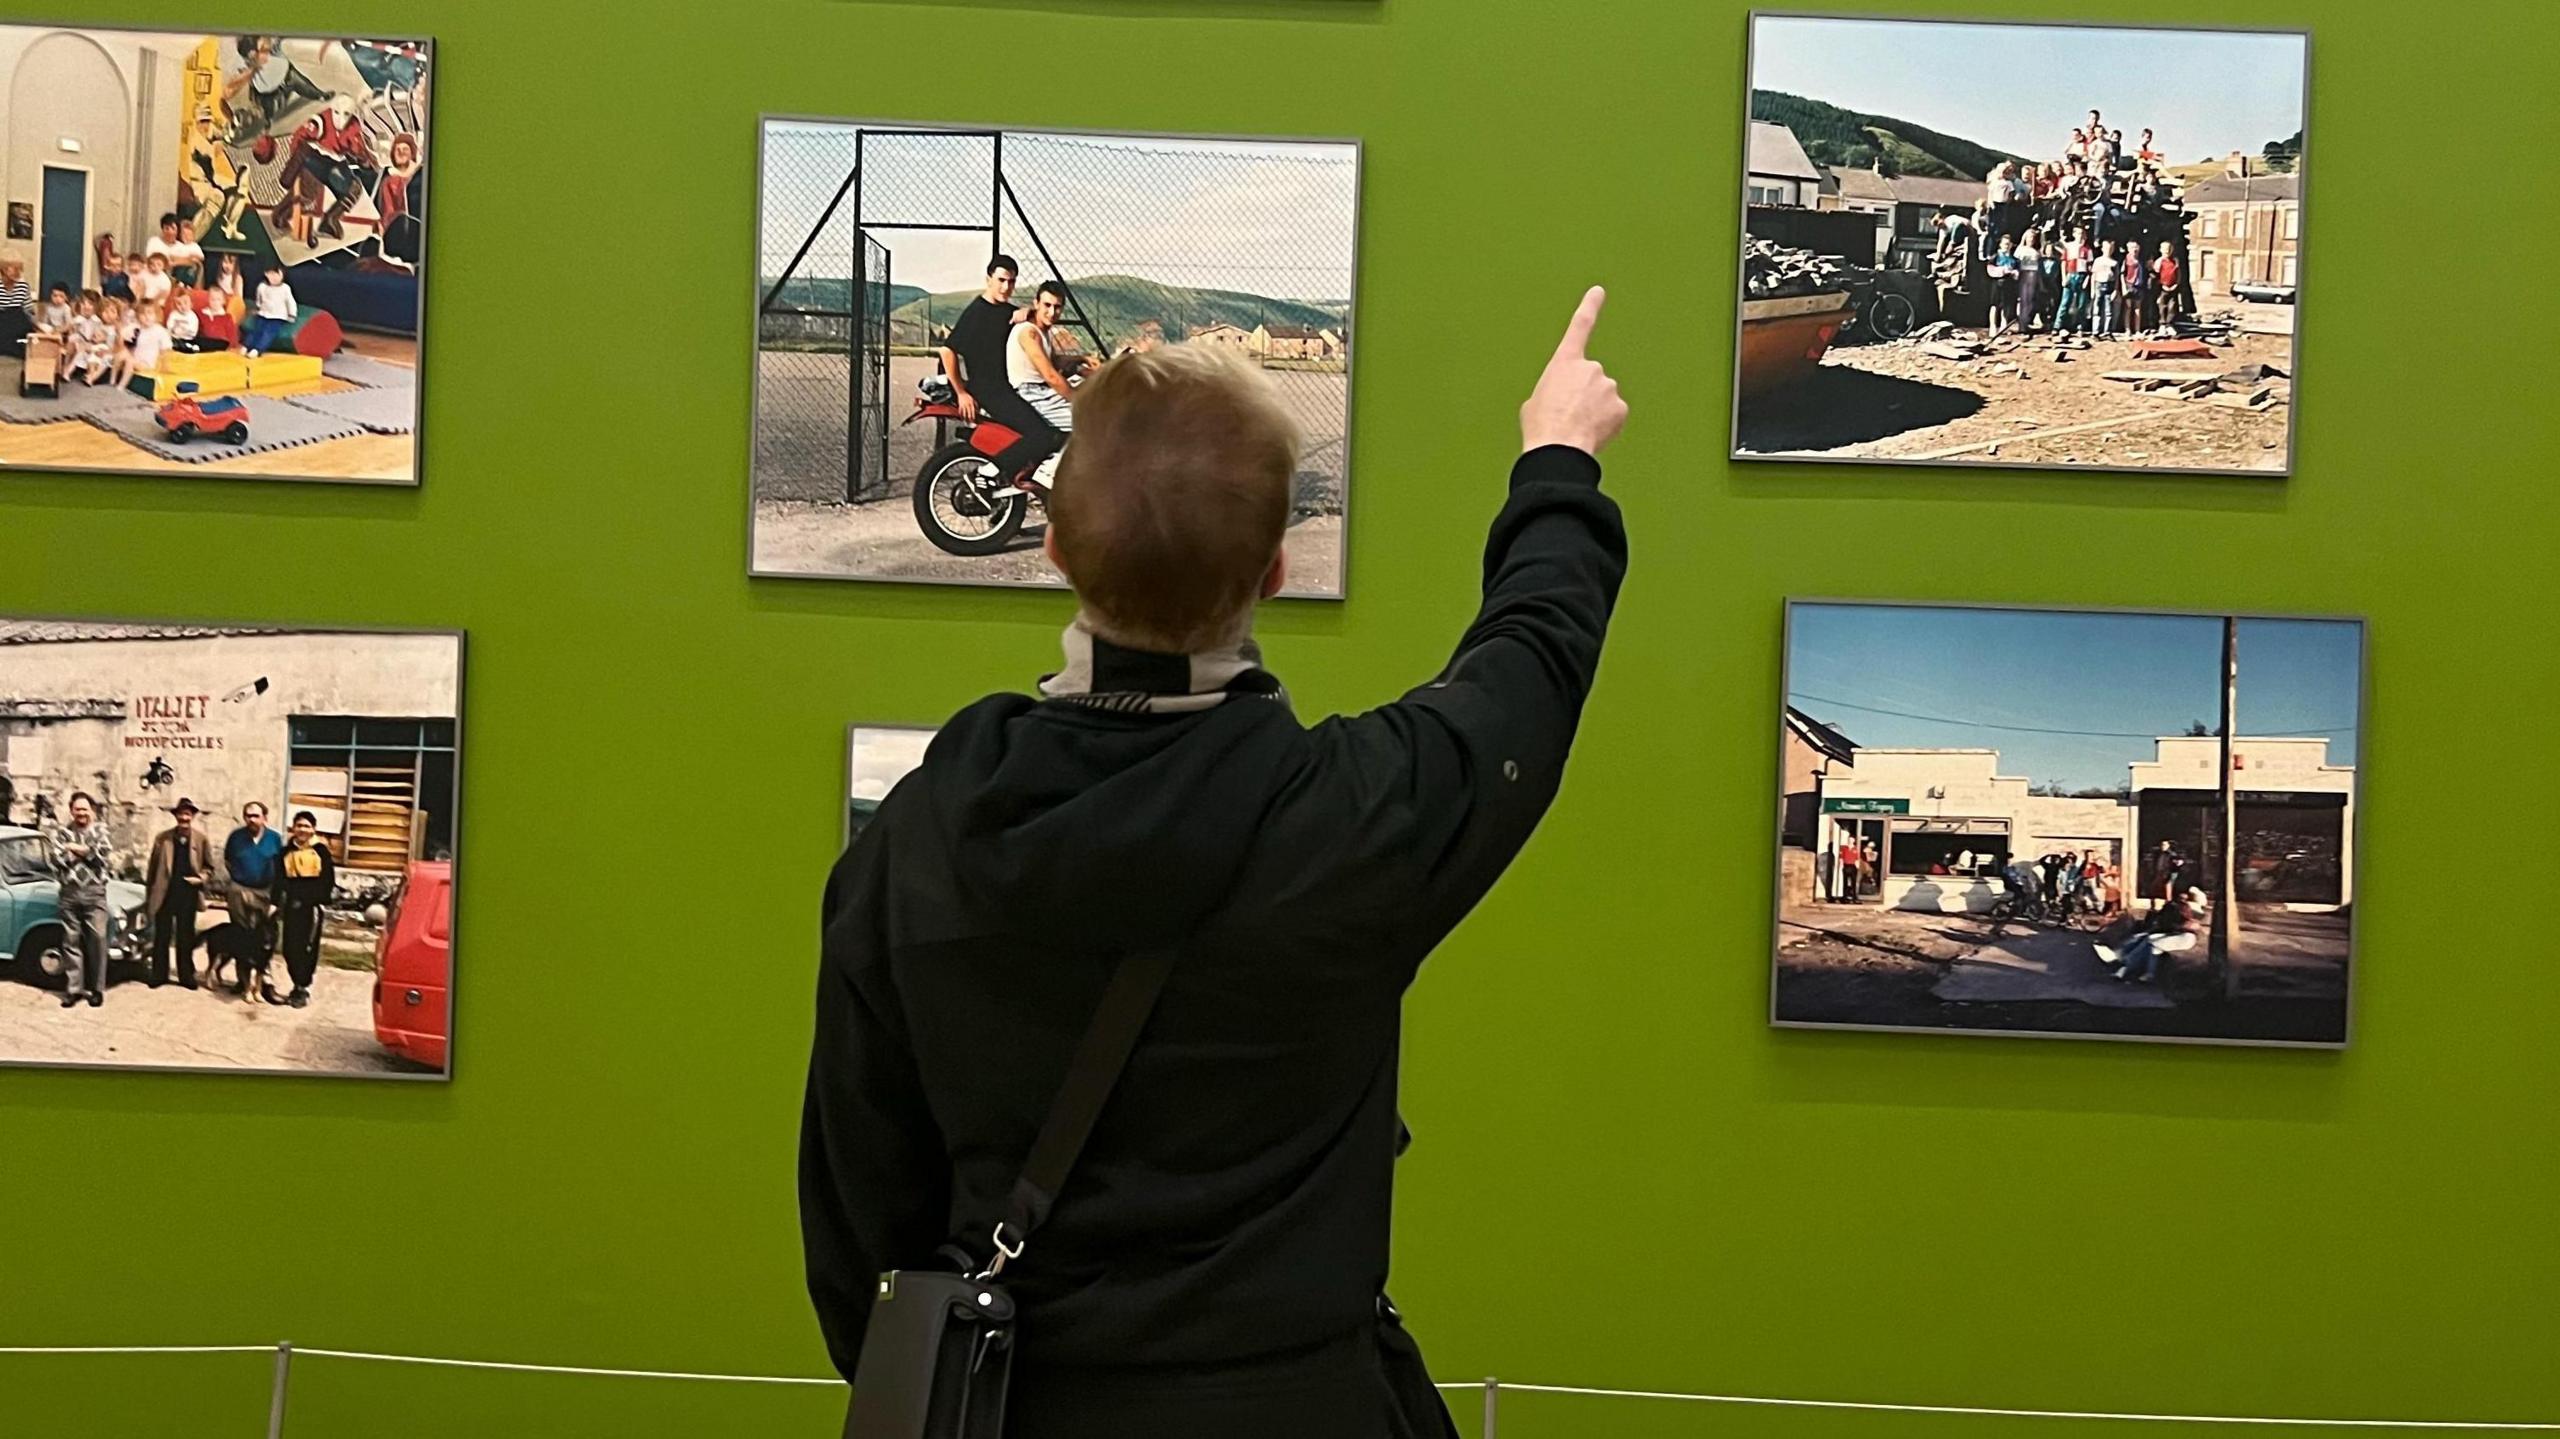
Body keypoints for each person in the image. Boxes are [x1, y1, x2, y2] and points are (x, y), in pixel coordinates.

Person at [801, 288, 1626, 1438]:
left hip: (1022, 1404)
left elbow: (857, 1211)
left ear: (1050, 544)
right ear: (1277, 569)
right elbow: (1531, 657)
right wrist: (1555, 461)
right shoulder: (1356, 820)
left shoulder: (917, 840)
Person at [1007, 280, 1092, 490]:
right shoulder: (1029, 332)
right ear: (1036, 303)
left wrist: (1083, 360)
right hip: (1032, 393)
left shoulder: (1042, 331)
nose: (1052, 312)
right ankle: (1048, 472)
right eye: (1047, 305)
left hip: (1039, 392)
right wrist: (1077, 400)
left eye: (1057, 307)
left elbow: (1055, 360)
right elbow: (1051, 375)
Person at [49, 793, 116, 1009]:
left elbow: (102, 856)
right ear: (71, 811)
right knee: (71, 941)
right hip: (69, 893)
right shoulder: (62, 832)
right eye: (77, 809)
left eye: (85, 809)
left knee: (98, 938)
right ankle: (73, 990)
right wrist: (86, 852)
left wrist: (76, 850)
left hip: (94, 892)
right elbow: (56, 859)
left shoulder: (101, 831)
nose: (81, 813)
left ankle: (97, 989)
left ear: (92, 811)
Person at [145, 798, 219, 990]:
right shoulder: (163, 838)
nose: (184, 817)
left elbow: (209, 867)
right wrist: (150, 893)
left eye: (188, 814)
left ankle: (186, 975)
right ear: (176, 816)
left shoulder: (201, 839)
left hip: (188, 893)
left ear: (193, 816)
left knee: (185, 936)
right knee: (162, 935)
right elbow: (152, 869)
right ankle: (159, 974)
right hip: (166, 892)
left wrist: (201, 878)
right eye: (181, 814)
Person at [271, 811, 336, 1009]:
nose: (302, 830)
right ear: (293, 828)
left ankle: (302, 987)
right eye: (299, 825)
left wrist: (311, 900)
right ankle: (295, 981)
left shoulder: (321, 851)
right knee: (290, 947)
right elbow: (279, 880)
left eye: (307, 826)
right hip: (291, 906)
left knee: (307, 948)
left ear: (313, 829)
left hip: (311, 907)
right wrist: (275, 903)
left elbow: (327, 881)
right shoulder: (285, 852)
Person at [223, 802, 286, 995]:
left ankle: (265, 982)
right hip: (240, 890)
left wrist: (274, 900)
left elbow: (280, 870)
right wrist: (239, 881)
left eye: (256, 816)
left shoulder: (275, 839)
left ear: (264, 818)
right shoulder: (236, 837)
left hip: (265, 892)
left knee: (265, 937)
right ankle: (242, 980)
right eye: (248, 816)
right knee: (241, 935)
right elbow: (228, 861)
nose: (252, 819)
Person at [2101, 887, 2206, 984]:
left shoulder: (2187, 913)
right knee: (2147, 939)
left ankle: (2129, 965)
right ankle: (2126, 963)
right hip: (2178, 935)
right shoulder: (2182, 909)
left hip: (2185, 938)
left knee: (2153, 944)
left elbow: (2184, 928)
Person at [242, 262, 295, 358]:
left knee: (268, 333)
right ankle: (246, 346)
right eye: (271, 274)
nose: (274, 277)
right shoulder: (262, 287)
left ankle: (257, 349)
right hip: (263, 314)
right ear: (266, 274)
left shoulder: (285, 288)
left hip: (277, 316)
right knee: (256, 329)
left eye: (277, 274)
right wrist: (258, 308)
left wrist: (292, 314)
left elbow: (290, 302)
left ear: (282, 274)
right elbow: (259, 299)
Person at [66, 292, 112, 384]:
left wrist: (93, 342)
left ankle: (90, 376)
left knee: (89, 354)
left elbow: (98, 337)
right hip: (80, 342)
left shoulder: (97, 321)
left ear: (96, 307)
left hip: (92, 344)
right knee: (73, 342)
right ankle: (66, 370)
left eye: (90, 304)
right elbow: (71, 330)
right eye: (83, 303)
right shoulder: (78, 319)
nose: (86, 306)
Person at [126, 300, 173, 381]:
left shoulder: (160, 331)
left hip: (146, 364)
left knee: (129, 361)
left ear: (156, 315)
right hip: (133, 359)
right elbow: (127, 345)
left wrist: (165, 367)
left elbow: (165, 351)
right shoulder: (134, 328)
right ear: (138, 316)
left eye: (150, 313)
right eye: (143, 314)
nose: (147, 317)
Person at [1987, 235, 2020, 339]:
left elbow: (2017, 270)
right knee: (1994, 305)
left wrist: (2015, 273)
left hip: (2009, 283)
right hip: (1998, 283)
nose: (2007, 246)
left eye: (2008, 244)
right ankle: (1992, 326)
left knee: (2006, 305)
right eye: (2005, 244)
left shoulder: (2013, 259)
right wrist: (2001, 270)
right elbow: (1990, 269)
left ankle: (2003, 326)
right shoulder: (1995, 256)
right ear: (2000, 244)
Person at [2087, 240, 2120, 338]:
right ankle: (2095, 331)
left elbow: (2117, 277)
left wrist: (2115, 290)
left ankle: (2107, 331)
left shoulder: (2114, 262)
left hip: (2109, 285)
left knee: (2108, 310)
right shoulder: (2098, 260)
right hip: (2098, 284)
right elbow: (2093, 275)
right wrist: (2092, 289)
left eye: (2110, 248)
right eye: (2106, 248)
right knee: (2096, 309)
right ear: (2102, 249)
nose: (2108, 250)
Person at [2013, 228, 2044, 334]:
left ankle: (2027, 322)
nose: (2031, 240)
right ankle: (2022, 325)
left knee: (2031, 300)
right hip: (2024, 274)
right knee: (2024, 299)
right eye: (2029, 237)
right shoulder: (2021, 249)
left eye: (2033, 238)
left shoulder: (2036, 252)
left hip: (2034, 275)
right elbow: (2017, 262)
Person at [2121, 239, 2152, 334]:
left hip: (2139, 285)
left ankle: (2137, 329)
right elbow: (2122, 274)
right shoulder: (2126, 259)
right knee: (2128, 308)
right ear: (2128, 249)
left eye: (2136, 247)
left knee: (2137, 308)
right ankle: (2127, 329)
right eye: (2132, 248)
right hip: (2129, 285)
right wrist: (2123, 287)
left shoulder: (2141, 260)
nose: (2134, 250)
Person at [2154, 242, 2187, 324]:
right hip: (2162, 288)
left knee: (2172, 306)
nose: (2167, 251)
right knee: (2162, 306)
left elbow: (2178, 273)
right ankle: (2162, 324)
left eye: (2169, 249)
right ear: (2161, 250)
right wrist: (2161, 285)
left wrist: (2176, 284)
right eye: (2165, 249)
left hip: (2173, 287)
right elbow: (2156, 275)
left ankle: (2169, 324)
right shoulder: (2159, 261)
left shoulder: (2175, 261)